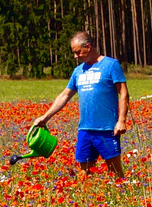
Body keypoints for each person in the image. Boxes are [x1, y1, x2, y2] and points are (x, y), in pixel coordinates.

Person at [30, 30, 130, 179]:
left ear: (88, 47)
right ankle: (86, 200)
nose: (75, 56)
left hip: (107, 129)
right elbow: (64, 95)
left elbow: (123, 93)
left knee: (115, 172)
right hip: (85, 129)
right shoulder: (78, 71)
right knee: (84, 172)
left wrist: (121, 121)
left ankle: (122, 196)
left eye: (78, 52)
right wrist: (45, 117)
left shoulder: (111, 65)